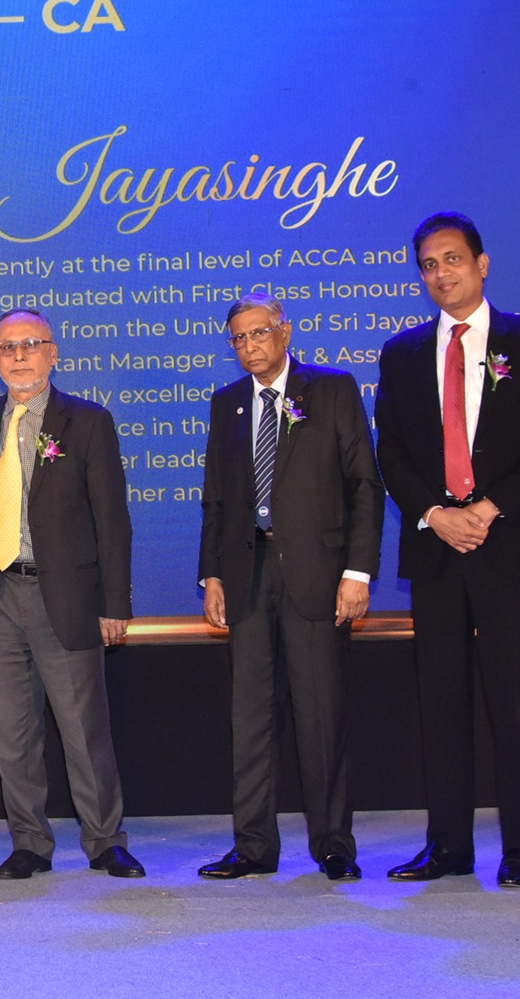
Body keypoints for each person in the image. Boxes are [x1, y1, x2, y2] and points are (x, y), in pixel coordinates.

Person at [376, 211, 520, 888]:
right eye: (428, 265)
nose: (441, 274)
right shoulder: (402, 352)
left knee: (513, 703)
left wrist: (485, 509)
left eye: (452, 259)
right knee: (441, 704)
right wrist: (436, 514)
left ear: (482, 265)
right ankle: (449, 847)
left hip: (505, 544)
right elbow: (392, 453)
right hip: (436, 551)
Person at [0, 308, 143, 881]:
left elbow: (112, 520)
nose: (19, 356)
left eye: (30, 344)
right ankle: (29, 842)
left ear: (53, 353)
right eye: (7, 347)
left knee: (83, 730)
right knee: (11, 733)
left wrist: (115, 604)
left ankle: (105, 841)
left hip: (67, 597)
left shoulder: (88, 421)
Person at [196, 293, 383, 882]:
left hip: (318, 576)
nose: (249, 346)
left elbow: (364, 485)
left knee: (321, 714)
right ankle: (253, 846)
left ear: (285, 332)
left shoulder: (331, 390)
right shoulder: (227, 403)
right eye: (239, 338)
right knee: (250, 719)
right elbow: (216, 498)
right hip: (247, 576)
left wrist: (357, 572)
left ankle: (334, 845)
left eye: (259, 333)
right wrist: (212, 574)